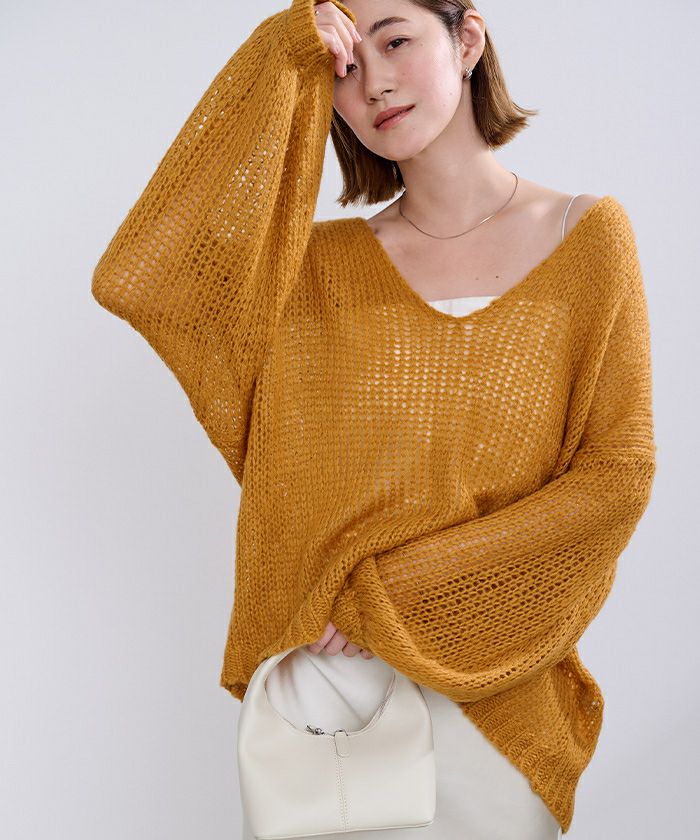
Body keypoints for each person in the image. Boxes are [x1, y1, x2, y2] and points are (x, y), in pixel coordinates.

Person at [91, 1, 656, 837]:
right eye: (348, 68)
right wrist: (280, 56)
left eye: (396, 40)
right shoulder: (311, 270)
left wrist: (386, 594)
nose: (376, 83)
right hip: (334, 694)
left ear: (467, 40)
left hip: (498, 696)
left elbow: (617, 474)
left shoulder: (585, 236)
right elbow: (141, 276)